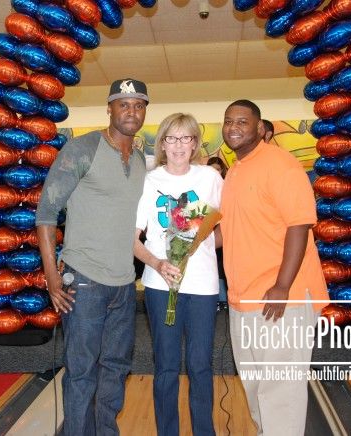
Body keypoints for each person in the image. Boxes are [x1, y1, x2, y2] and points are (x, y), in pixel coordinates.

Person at [36, 78, 149, 436]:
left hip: (124, 284)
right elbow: (46, 212)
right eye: (123, 104)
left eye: (138, 105)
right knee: (82, 371)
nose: (131, 111)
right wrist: (52, 277)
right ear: (109, 109)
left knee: (116, 368)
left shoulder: (141, 160)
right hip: (84, 282)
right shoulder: (82, 149)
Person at [220, 100, 329, 436]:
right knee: (255, 386)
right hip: (244, 299)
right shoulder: (235, 171)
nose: (234, 128)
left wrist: (283, 285)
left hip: (282, 298)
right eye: (228, 121)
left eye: (242, 121)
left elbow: (300, 225)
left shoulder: (281, 165)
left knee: (281, 391)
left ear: (260, 128)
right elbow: (230, 231)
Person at [134, 113, 223, 436]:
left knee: (200, 365)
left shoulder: (210, 178)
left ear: (195, 143)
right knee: (166, 366)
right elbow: (132, 238)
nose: (179, 145)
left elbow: (224, 227)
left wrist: (196, 250)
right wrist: (159, 263)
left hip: (202, 285)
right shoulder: (149, 181)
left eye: (186, 138)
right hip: (160, 285)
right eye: (171, 138)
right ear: (162, 144)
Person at [206, 156, 228, 309]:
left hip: (224, 231)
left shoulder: (227, 187)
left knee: (222, 265)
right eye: (212, 169)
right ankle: (217, 299)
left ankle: (224, 298)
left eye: (218, 169)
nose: (215, 172)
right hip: (209, 231)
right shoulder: (203, 187)